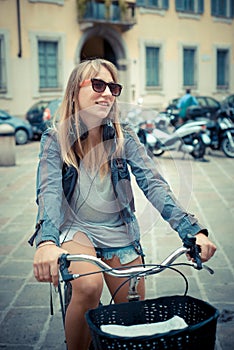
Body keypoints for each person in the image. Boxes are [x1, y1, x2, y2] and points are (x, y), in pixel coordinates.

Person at [30, 58, 216, 350]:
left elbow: (154, 184)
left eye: (113, 87)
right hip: (76, 229)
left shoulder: (123, 135)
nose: (107, 93)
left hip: (119, 230)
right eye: (98, 84)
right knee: (88, 287)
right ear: (74, 93)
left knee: (134, 306)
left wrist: (191, 230)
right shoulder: (55, 139)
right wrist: (46, 242)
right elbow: (49, 193)